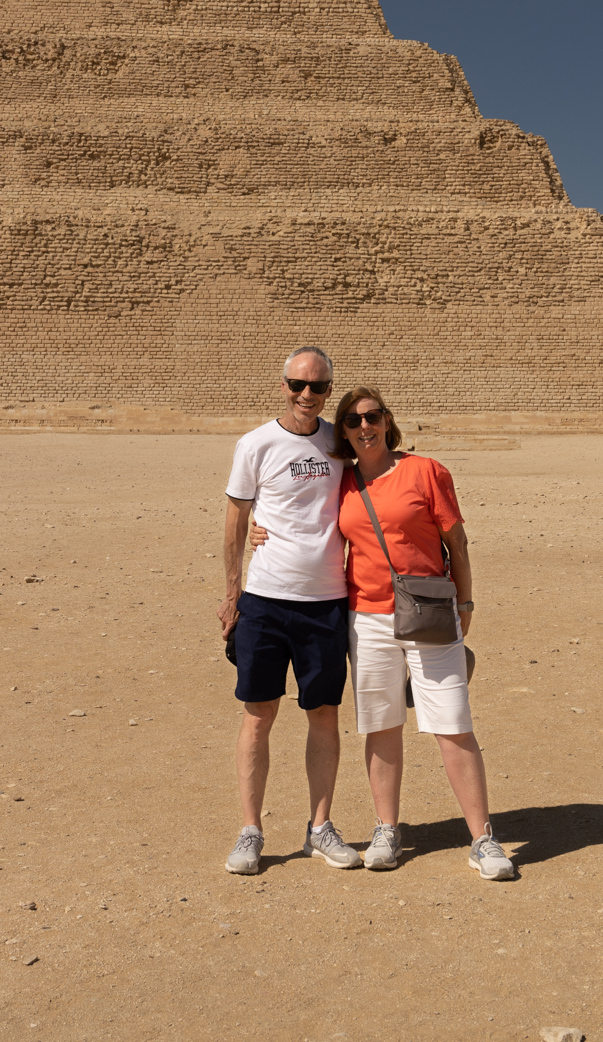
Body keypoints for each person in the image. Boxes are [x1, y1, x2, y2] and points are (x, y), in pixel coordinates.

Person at [331, 386, 515, 880]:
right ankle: (386, 829)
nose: (364, 427)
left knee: (452, 723)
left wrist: (466, 600)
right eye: (352, 421)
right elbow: (301, 520)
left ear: (388, 421)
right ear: (342, 432)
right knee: (381, 723)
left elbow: (456, 539)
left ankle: (483, 839)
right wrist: (260, 528)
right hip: (366, 618)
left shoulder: (425, 471)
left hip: (430, 612)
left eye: (372, 417)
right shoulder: (341, 481)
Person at [218, 346, 362, 876]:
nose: (308, 395)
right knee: (259, 715)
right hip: (266, 600)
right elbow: (235, 519)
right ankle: (250, 831)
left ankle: (319, 828)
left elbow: (378, 478)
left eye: (318, 386)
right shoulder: (254, 444)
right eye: (298, 384)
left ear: (329, 389)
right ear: (282, 385)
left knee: (324, 715)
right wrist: (232, 592)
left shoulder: (338, 441)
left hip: (326, 600)